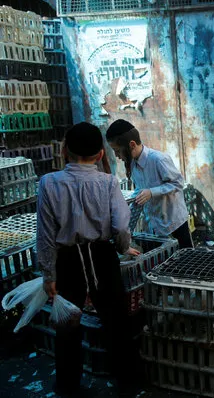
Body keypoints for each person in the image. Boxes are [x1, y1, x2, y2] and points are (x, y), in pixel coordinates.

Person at [37, 122, 140, 396]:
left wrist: (49, 274)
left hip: (67, 260)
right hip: (102, 255)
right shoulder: (108, 182)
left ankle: (68, 386)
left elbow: (45, 235)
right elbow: (120, 227)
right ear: (99, 155)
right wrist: (122, 247)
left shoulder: (48, 183)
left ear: (64, 150)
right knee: (116, 321)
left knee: (67, 324)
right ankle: (128, 381)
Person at [106, 119, 193, 248]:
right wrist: (126, 228)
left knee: (185, 264)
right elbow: (140, 193)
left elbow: (178, 183)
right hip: (152, 227)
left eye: (117, 150)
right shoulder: (132, 164)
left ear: (132, 144)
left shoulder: (158, 159)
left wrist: (152, 192)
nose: (116, 155)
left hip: (174, 224)